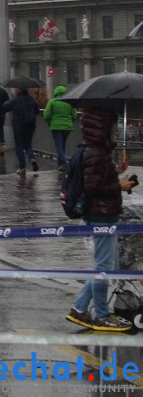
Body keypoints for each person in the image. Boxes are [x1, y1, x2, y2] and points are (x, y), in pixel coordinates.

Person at [65, 108, 136, 332]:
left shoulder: (96, 152)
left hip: (105, 215)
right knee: (104, 267)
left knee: (108, 265)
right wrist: (120, 186)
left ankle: (79, 309)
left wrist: (117, 172)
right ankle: (102, 317)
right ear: (103, 127)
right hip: (100, 217)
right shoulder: (95, 153)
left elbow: (97, 179)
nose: (116, 128)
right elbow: (93, 188)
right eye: (114, 124)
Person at [4, 88, 40, 175]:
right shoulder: (32, 100)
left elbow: (4, 106)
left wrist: (12, 99)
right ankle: (32, 158)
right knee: (28, 145)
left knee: (19, 146)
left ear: (18, 91)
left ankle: (22, 167)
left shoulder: (15, 100)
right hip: (30, 126)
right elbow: (37, 111)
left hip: (18, 127)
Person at [44, 86, 78, 172]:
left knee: (59, 146)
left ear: (56, 93)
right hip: (67, 127)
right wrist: (70, 122)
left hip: (55, 126)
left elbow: (47, 114)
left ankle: (65, 163)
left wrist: (49, 123)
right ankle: (60, 165)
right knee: (62, 145)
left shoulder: (52, 101)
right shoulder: (69, 102)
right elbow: (74, 114)